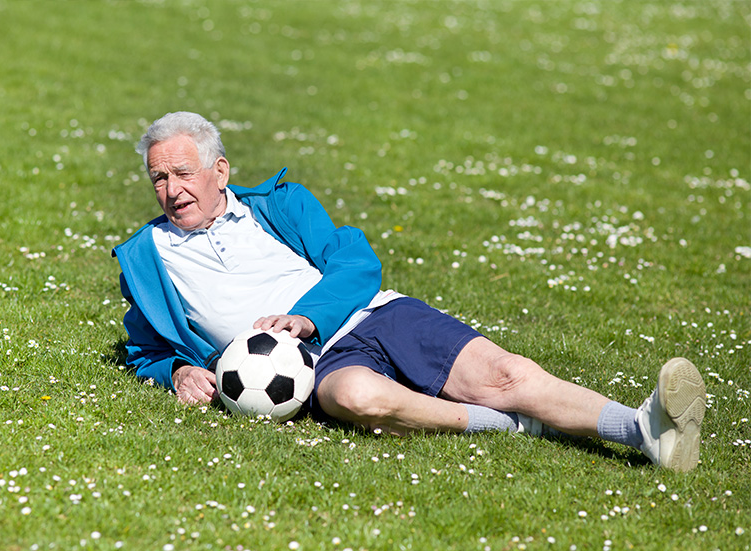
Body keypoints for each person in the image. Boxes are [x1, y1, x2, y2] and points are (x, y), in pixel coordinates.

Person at [113, 111, 707, 472]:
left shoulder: (279, 205)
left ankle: (642, 429)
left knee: (506, 374)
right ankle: (506, 426)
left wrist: (307, 316)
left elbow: (356, 261)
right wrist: (175, 374)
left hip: (367, 316)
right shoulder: (145, 258)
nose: (171, 189)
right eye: (159, 177)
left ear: (219, 170)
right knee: (362, 398)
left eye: (183, 173)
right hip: (305, 371)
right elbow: (145, 350)